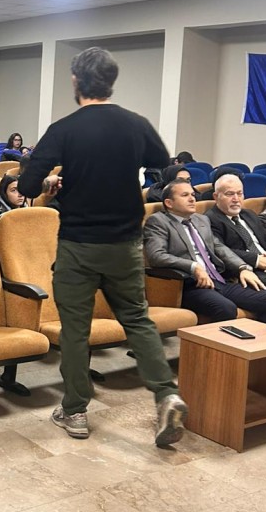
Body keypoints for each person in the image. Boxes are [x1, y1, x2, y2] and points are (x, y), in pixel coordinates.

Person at [20, 46, 187, 448]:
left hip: (79, 244)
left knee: (76, 330)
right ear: (111, 82)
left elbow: (26, 185)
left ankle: (75, 410)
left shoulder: (64, 128)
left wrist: (51, 182)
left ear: (76, 81)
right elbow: (164, 165)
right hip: (125, 244)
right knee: (138, 319)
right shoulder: (135, 123)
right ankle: (166, 395)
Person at [144, 180, 266, 329]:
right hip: (190, 285)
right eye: (185, 195)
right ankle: (222, 344)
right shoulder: (158, 221)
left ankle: (257, 342)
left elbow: (220, 248)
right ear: (169, 203)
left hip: (219, 280)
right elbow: (157, 256)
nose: (192, 199)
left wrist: (242, 268)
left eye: (193, 195)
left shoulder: (201, 219)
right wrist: (194, 267)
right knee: (226, 308)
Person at [206, 174, 266, 330]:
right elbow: (222, 251)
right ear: (216, 196)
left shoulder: (248, 214)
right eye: (230, 194)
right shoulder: (210, 219)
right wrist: (257, 260)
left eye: (239, 193)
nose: (236, 199)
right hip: (249, 271)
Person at [0, 173, 27, 238]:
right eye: (13, 190)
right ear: (4, 194)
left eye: (21, 189)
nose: (20, 194)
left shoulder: (29, 212)